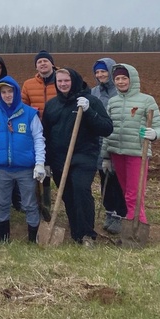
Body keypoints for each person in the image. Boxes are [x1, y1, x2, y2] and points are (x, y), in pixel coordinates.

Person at [42, 68, 113, 246]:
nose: (63, 84)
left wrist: (89, 111)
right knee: (68, 196)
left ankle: (87, 234)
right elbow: (46, 135)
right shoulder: (52, 105)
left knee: (81, 191)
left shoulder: (90, 101)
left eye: (67, 81)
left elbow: (106, 128)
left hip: (84, 157)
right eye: (60, 81)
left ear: (74, 80)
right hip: (59, 160)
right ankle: (76, 232)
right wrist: (47, 162)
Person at [0, 77, 46, 243]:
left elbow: (38, 139)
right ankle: (4, 239)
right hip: (2, 169)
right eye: (3, 92)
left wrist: (40, 163)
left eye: (10, 91)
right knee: (2, 203)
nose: (7, 95)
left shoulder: (29, 114)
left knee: (29, 204)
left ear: (16, 92)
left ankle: (33, 239)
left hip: (25, 168)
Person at [102, 64, 160, 226]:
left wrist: (155, 134)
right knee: (126, 192)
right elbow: (107, 131)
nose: (121, 82)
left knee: (135, 194)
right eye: (117, 78)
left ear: (132, 79)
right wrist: (105, 157)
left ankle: (137, 225)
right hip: (117, 152)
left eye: (124, 78)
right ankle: (131, 225)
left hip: (137, 153)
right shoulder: (113, 102)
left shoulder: (146, 100)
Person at [91, 57, 127, 234]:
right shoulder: (94, 92)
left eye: (103, 71)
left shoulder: (119, 92)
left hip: (116, 142)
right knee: (104, 178)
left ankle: (120, 214)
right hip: (98, 143)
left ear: (111, 72)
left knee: (117, 180)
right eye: (97, 72)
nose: (100, 75)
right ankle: (109, 212)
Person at [21, 50, 58, 217]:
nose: (43, 64)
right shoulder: (29, 84)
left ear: (52, 63)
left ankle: (49, 203)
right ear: (36, 66)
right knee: (39, 167)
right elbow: (23, 106)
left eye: (45, 61)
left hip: (57, 132)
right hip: (35, 133)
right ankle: (39, 203)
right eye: (39, 62)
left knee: (52, 167)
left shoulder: (61, 81)